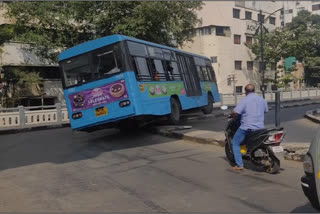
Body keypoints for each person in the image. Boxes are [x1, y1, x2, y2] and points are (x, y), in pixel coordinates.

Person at [230, 84, 268, 170]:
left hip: (247, 128)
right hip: (260, 128)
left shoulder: (245, 100)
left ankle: (239, 165)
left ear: (245, 91)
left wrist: (231, 114)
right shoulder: (262, 99)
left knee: (235, 143)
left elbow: (235, 112)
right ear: (254, 90)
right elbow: (265, 110)